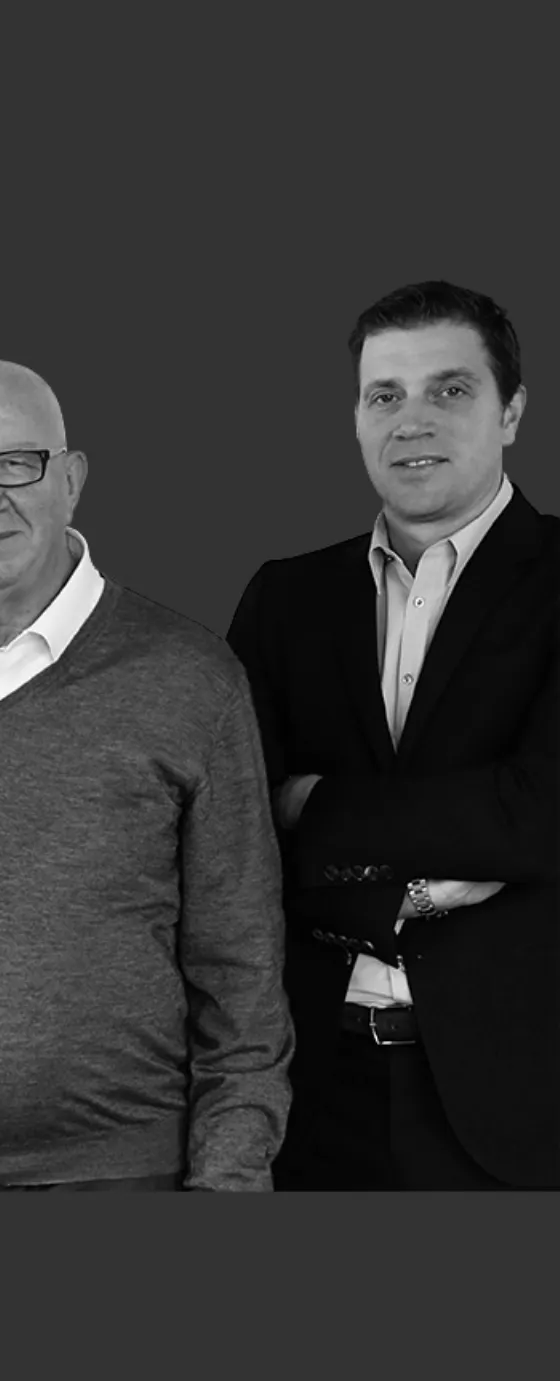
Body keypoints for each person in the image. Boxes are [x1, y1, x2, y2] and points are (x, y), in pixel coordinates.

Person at [0, 360, 292, 1191]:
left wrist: (231, 1179)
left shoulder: (191, 677)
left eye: (15, 462)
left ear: (72, 478)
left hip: (119, 1177)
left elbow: (240, 968)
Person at [227, 280, 557, 1189]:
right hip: (309, 1091)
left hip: (520, 1103)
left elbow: (538, 818)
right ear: (357, 418)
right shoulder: (285, 599)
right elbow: (234, 841)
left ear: (511, 411)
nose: (412, 420)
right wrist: (429, 876)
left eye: (450, 389)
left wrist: (314, 805)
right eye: (385, 395)